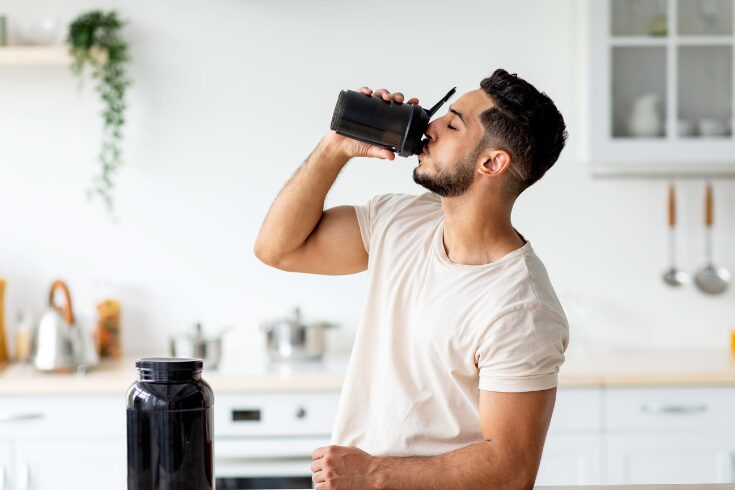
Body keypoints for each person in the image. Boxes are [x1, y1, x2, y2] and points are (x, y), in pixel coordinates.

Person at [254, 68, 569, 490]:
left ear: (492, 162)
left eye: (453, 123)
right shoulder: (400, 221)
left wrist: (372, 474)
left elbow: (510, 470)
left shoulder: (522, 308)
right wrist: (336, 148)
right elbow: (279, 248)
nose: (430, 126)